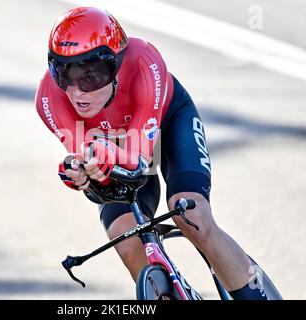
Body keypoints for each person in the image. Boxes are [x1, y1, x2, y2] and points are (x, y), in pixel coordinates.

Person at [35, 6, 281, 300]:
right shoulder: (48, 98)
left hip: (165, 121)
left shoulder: (144, 62)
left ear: (115, 65)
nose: (77, 92)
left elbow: (138, 161)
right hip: (113, 144)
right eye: (64, 75)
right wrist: (80, 175)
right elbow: (92, 168)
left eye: (90, 76)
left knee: (192, 216)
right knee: (125, 239)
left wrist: (100, 156)